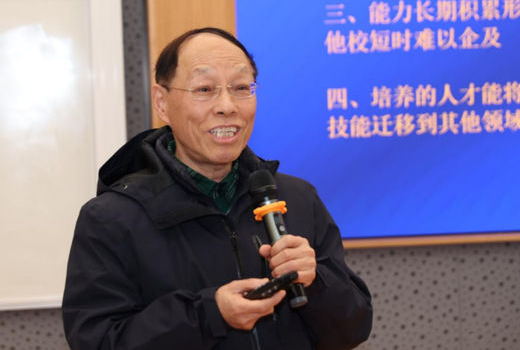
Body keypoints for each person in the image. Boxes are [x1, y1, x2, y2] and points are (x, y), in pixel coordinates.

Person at [62, 27, 373, 350]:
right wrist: (208, 315)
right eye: (204, 89)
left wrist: (315, 281)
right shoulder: (112, 218)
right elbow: (98, 342)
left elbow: (354, 329)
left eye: (241, 88)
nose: (227, 106)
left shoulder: (297, 198)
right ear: (162, 103)